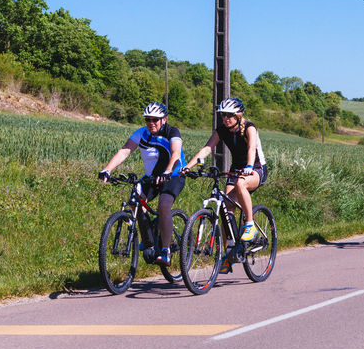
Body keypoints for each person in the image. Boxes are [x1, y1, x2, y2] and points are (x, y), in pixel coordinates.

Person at [183, 97, 268, 273]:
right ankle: (229, 253)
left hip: (256, 169)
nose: (225, 119)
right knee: (225, 210)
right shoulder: (222, 130)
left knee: (240, 184)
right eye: (223, 115)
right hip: (235, 169)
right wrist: (187, 167)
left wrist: (249, 167)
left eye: (229, 115)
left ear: (238, 115)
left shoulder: (249, 128)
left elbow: (252, 149)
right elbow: (207, 148)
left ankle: (250, 224)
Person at [98, 102, 186, 267]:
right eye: (148, 119)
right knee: (134, 201)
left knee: (164, 205)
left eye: (155, 119)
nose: (151, 123)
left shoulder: (172, 132)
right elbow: (125, 150)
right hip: (151, 177)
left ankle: (166, 250)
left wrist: (167, 172)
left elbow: (175, 154)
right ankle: (150, 241)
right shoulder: (142, 133)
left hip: (173, 175)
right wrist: (107, 170)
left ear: (164, 119)